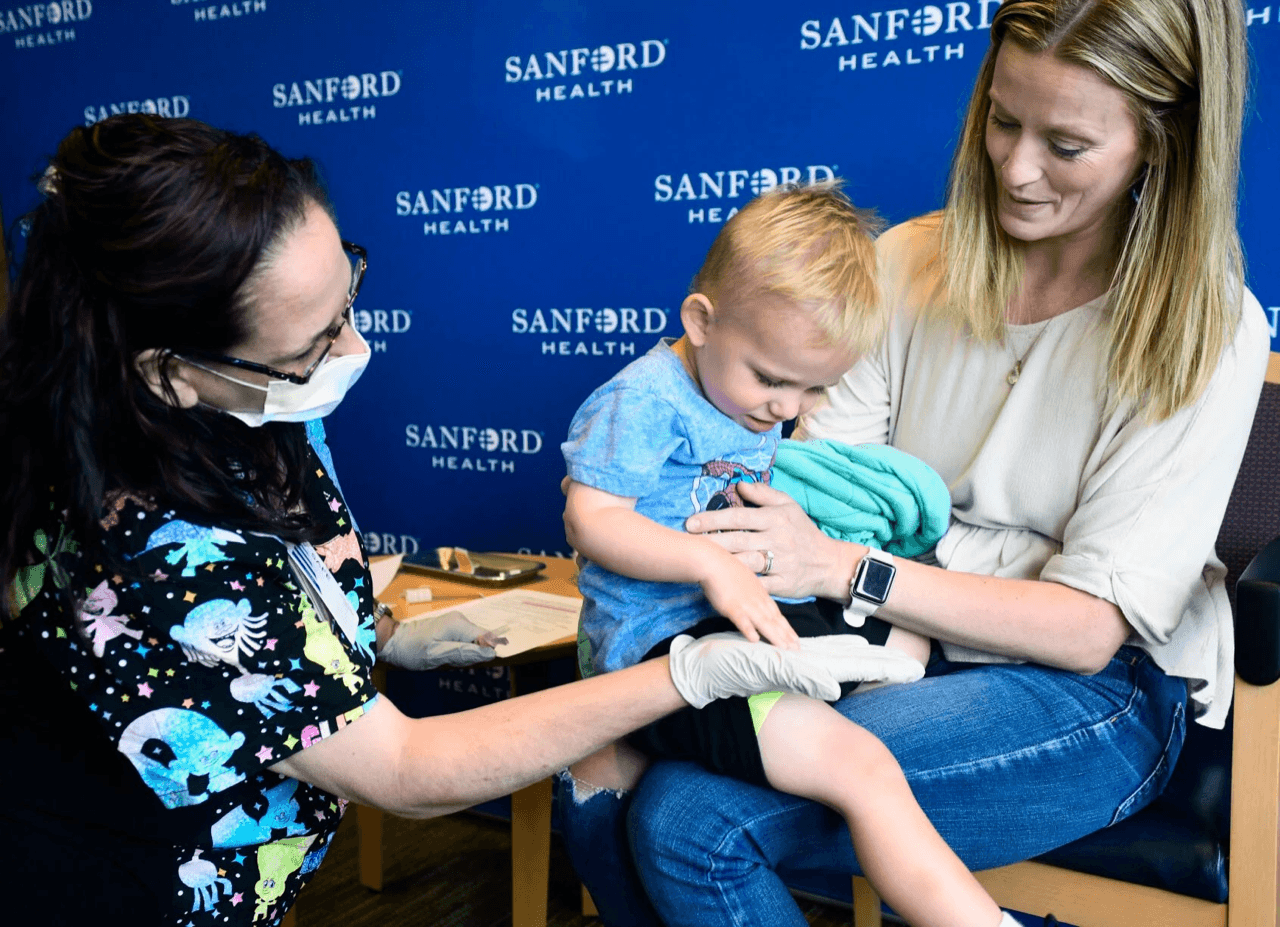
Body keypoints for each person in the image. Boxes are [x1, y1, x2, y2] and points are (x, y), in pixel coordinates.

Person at [0, 114, 890, 926]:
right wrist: (687, 675)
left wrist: (370, 637)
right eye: (314, 343)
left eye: (348, 294)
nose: (353, 350)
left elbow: (285, 589)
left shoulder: (262, 403)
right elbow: (404, 770)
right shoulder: (153, 557)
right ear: (170, 372)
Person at [557, 2, 1268, 925]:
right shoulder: (900, 264)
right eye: (1003, 121)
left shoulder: (1207, 323)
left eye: (1066, 144)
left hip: (1096, 693)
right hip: (890, 644)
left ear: (1159, 143)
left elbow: (1086, 630)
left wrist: (852, 567)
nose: (1014, 169)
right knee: (598, 781)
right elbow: (797, 499)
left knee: (690, 816)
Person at [561, 182, 1029, 927]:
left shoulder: (753, 393)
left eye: (816, 388)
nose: (787, 410)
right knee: (863, 768)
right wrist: (710, 563)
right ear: (700, 321)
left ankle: (860, 692)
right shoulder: (642, 401)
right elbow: (590, 520)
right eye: (774, 380)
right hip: (663, 650)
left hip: (747, 613)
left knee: (905, 617)